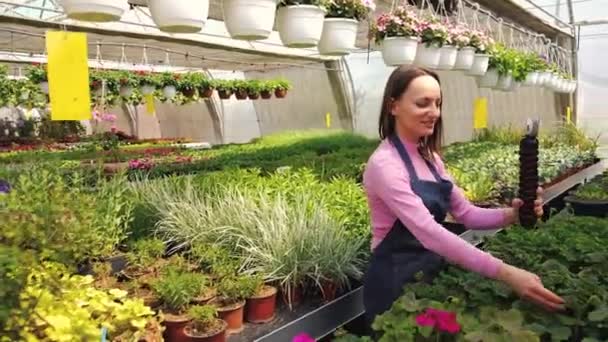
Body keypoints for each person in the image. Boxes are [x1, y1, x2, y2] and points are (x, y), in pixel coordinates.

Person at [362, 66, 565, 329]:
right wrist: (507, 274)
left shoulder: (431, 158)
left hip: (427, 275)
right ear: (393, 106)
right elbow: (429, 232)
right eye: (422, 103)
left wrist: (512, 215)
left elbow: (467, 214)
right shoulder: (385, 165)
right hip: (393, 284)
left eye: (438, 103)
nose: (434, 112)